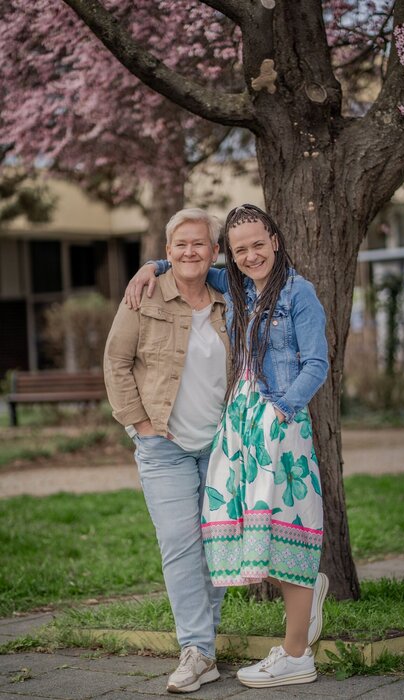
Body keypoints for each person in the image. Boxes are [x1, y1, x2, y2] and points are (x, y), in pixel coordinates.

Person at [126, 203, 330, 689]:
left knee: (286, 523)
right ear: (231, 256)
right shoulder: (235, 286)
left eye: (258, 244)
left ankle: (296, 654)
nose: (251, 255)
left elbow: (317, 364)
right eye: (241, 250)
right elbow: (189, 262)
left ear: (275, 241)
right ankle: (303, 603)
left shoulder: (299, 292)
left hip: (278, 424)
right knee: (250, 530)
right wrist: (151, 265)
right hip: (239, 426)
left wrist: (281, 410)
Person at [104, 208, 229, 694]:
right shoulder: (145, 294)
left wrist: (152, 263)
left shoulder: (230, 297)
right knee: (180, 544)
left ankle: (204, 650)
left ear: (214, 251)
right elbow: (116, 361)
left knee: (217, 546)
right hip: (164, 446)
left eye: (199, 243)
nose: (189, 252)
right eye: (180, 244)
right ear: (168, 250)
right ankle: (195, 648)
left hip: (222, 446)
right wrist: (140, 424)